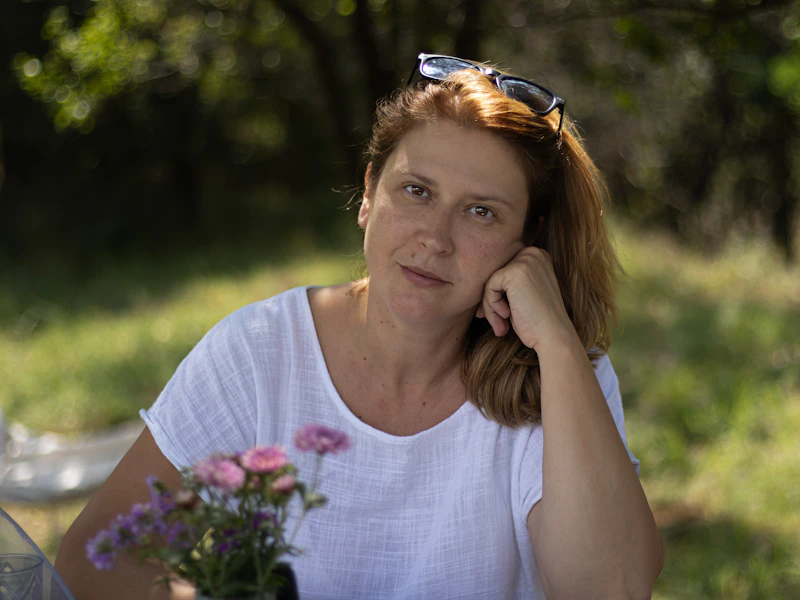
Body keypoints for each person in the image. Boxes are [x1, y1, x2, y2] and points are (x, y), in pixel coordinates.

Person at [55, 53, 664, 599]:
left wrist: (557, 343)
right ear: (369, 194)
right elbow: (96, 561)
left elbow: (611, 591)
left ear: (526, 241)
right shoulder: (261, 352)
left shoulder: (557, 377)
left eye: (481, 212)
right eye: (416, 191)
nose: (435, 238)